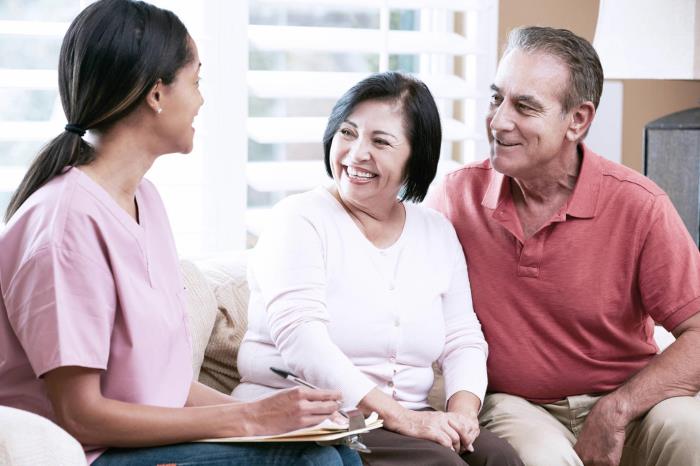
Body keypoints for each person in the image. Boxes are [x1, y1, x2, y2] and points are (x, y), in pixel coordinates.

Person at [0, 1, 361, 465]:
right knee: (310, 463)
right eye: (196, 81)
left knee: (334, 451)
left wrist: (279, 416)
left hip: (140, 445)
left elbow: (163, 388)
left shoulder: (144, 200)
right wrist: (250, 422)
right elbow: (80, 416)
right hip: (90, 454)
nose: (202, 99)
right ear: (156, 95)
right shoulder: (65, 224)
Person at [426, 25, 700, 466]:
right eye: (496, 98)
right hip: (518, 405)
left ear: (578, 120)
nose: (498, 121)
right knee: (541, 459)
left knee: (693, 433)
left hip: (629, 400)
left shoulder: (639, 205)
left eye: (524, 106)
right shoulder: (455, 198)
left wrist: (617, 409)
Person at [233, 71, 522, 466]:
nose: (355, 154)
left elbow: (462, 338)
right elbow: (302, 339)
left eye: (380, 142)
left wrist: (463, 415)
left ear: (414, 158)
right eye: (347, 133)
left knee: (499, 458)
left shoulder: (436, 231)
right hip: (318, 418)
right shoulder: (299, 219)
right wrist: (402, 418)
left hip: (401, 419)